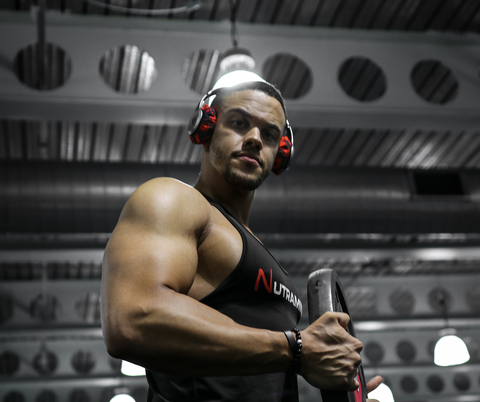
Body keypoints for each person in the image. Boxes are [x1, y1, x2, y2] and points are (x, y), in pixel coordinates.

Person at [101, 75, 383, 401]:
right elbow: (134, 319)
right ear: (205, 128)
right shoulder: (172, 200)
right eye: (238, 122)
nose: (254, 139)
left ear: (281, 153)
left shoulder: (258, 250)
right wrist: (296, 348)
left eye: (269, 133)